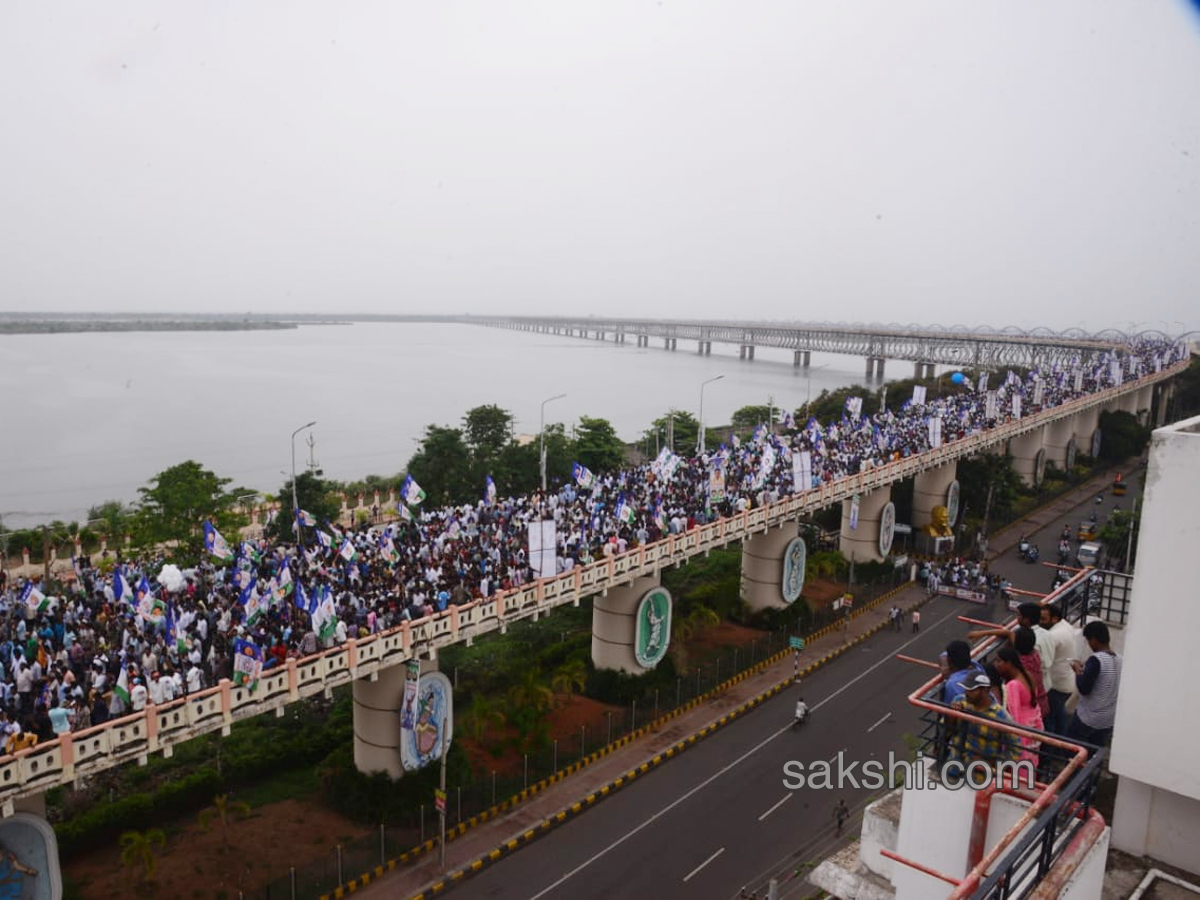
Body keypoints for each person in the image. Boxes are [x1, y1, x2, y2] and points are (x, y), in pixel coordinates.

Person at [1067, 621, 1122, 755]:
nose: (1089, 645)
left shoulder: (1096, 659)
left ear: (1094, 639)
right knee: (1094, 754)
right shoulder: (1120, 659)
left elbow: (1084, 688)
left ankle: (1074, 775)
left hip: (1088, 717)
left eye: (1089, 640)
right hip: (1107, 719)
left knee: (1074, 753)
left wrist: (1078, 671)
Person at [995, 647, 1043, 766]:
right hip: (1035, 724)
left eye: (999, 661)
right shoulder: (1027, 675)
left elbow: (1014, 715)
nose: (997, 665)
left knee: (1021, 768)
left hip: (1023, 732)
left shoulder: (1013, 685)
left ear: (1009, 663)